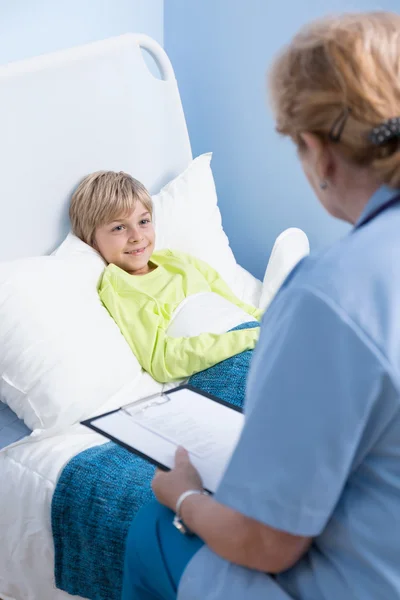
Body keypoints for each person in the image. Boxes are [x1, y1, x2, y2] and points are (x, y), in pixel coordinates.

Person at [121, 11, 400, 600]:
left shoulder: (330, 295)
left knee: (149, 529)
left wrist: (186, 496)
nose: (140, 237)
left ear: (318, 153)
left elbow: (267, 543)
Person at [69, 171, 262, 383]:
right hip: (226, 364)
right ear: (92, 241)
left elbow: (237, 305)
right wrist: (251, 337)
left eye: (143, 221)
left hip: (254, 339)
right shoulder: (120, 285)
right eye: (119, 227)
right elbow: (161, 360)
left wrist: (275, 325)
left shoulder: (177, 260)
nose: (137, 236)